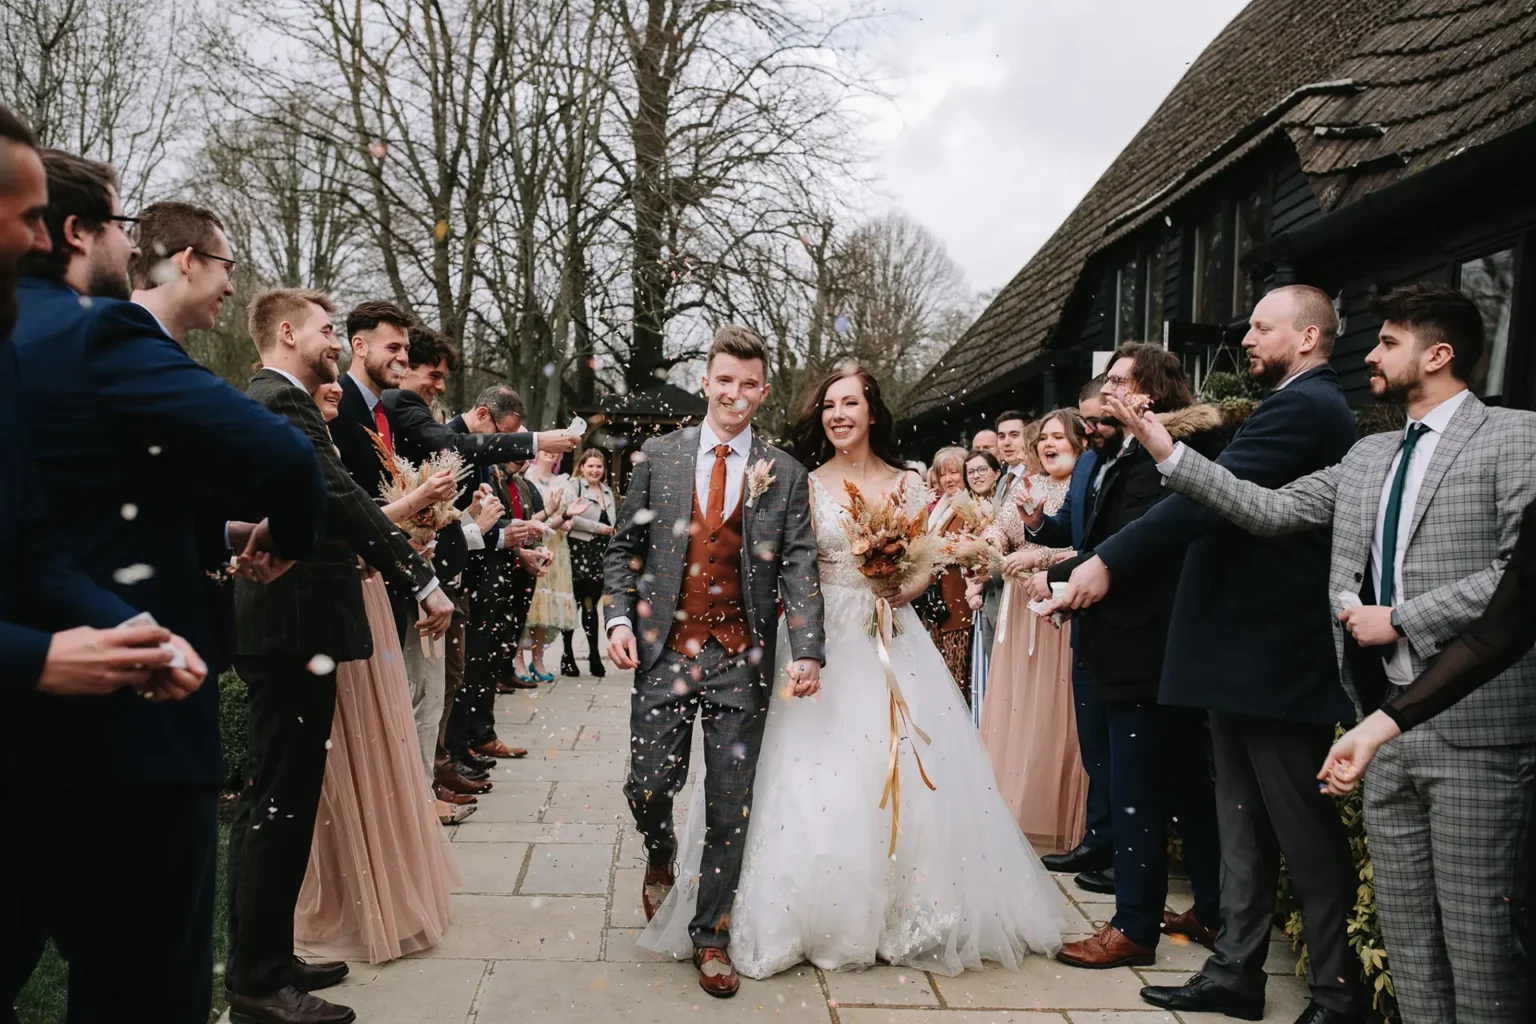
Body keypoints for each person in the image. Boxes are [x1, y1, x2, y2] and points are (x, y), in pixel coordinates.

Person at [1122, 282, 1536, 1023]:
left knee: (1480, 949)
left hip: (1475, 727)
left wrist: (1400, 617)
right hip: (1384, 723)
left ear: (1438, 355)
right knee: (1410, 949)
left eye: (1387, 342)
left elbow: (1518, 576)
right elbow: (1272, 510)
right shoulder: (1371, 455)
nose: (1368, 353)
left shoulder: (1516, 438)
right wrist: (1166, 451)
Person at [6, 148, 325, 1024]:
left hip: (28, 713)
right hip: (123, 732)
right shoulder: (93, 334)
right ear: (73, 233)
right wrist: (283, 544)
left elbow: (46, 525)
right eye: (118, 226)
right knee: (142, 989)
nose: (129, 244)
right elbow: (281, 459)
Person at [642, 359, 1065, 982]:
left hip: (892, 635)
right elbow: (789, 566)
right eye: (829, 406)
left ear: (872, 413)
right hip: (818, 639)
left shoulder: (910, 484)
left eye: (850, 405)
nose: (838, 416)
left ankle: (900, 908)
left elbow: (930, 560)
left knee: (904, 772)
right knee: (806, 772)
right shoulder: (798, 481)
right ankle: (803, 909)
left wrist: (908, 579)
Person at [1063, 287, 1362, 1022]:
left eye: (1263, 326)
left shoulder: (1311, 407)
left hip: (1272, 655)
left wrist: (1109, 561)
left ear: (1309, 336)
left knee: (1299, 831)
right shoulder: (1287, 404)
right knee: (1241, 826)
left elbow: (1206, 499)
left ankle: (1336, 991)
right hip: (1236, 655)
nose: (1248, 336)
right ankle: (1236, 969)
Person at [229, 288, 450, 1024]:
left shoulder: (287, 400)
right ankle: (258, 980)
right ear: (286, 332)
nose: (334, 339)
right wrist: (418, 577)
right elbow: (341, 501)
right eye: (327, 329)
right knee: (276, 804)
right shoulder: (281, 402)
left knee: (290, 803)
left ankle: (272, 952)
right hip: (288, 631)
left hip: (302, 631)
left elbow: (340, 500)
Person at [605, 325, 826, 997]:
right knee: (649, 783)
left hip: (741, 655)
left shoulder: (783, 472)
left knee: (732, 805)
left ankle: (711, 933)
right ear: (706, 381)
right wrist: (618, 615)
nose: (733, 393)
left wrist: (808, 649)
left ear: (763, 391)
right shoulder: (658, 458)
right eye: (722, 380)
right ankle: (660, 851)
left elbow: (799, 564)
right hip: (666, 648)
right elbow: (622, 551)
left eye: (747, 383)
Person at [1022, 343, 1224, 970]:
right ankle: (1214, 909)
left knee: (1140, 785)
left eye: (1117, 382)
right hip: (1142, 640)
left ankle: (1134, 926)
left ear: (1152, 393)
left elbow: (1134, 545)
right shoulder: (1127, 453)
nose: (1105, 393)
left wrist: (1061, 580)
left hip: (1146, 641)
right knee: (1187, 781)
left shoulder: (1169, 460)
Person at [295, 373, 461, 963]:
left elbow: (360, 520)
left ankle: (380, 879)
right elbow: (347, 522)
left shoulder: (327, 439)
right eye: (324, 385)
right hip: (344, 600)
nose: (333, 389)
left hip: (367, 591)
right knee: (347, 754)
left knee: (378, 744)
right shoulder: (296, 433)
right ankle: (345, 892)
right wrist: (415, 506)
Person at [976, 410, 1085, 855]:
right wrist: (987, 543)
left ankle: (1055, 815)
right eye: (1044, 438)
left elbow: (1087, 547)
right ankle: (1013, 808)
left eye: (1059, 437)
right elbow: (1003, 530)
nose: (1048, 444)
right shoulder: (1027, 486)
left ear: (1080, 442)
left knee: (1056, 709)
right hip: (1018, 609)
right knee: (1017, 704)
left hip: (1059, 606)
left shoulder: (1083, 488)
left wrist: (1038, 560)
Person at [1028, 377, 1114, 888]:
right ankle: (1098, 840)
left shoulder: (1129, 463)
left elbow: (1111, 545)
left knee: (1116, 746)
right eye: (1086, 419)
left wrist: (1054, 571)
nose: (1091, 428)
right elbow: (1072, 530)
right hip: (1084, 623)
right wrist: (1039, 521)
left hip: (1116, 617)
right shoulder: (1086, 466)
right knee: (1095, 742)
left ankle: (1119, 851)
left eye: (1096, 418)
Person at [923, 445, 978, 699]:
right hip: (939, 602)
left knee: (958, 676)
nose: (948, 479)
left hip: (960, 601)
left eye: (954, 472)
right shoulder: (941, 509)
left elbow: (968, 547)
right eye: (942, 474)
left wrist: (933, 551)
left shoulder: (972, 506)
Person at [520, 446, 579, 681]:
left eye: (555, 452)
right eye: (546, 450)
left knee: (545, 608)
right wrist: (558, 519)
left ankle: (538, 660)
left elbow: (570, 515)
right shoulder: (527, 478)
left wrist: (568, 523)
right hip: (535, 545)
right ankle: (517, 661)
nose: (551, 454)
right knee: (529, 604)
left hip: (557, 549)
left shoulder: (563, 482)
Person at [563, 448, 618, 678]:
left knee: (591, 605)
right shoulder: (574, 486)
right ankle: (567, 657)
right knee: (573, 605)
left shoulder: (607, 491)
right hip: (579, 549)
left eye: (599, 466)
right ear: (582, 467)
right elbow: (567, 515)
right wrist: (598, 528)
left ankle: (594, 657)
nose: (595, 470)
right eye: (591, 466)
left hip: (600, 553)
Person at [962, 447, 1002, 721]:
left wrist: (981, 582)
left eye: (981, 470)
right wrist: (970, 585)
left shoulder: (1003, 507)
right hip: (982, 600)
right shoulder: (970, 510)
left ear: (997, 473)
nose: (975, 476)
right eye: (971, 472)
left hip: (1001, 594)